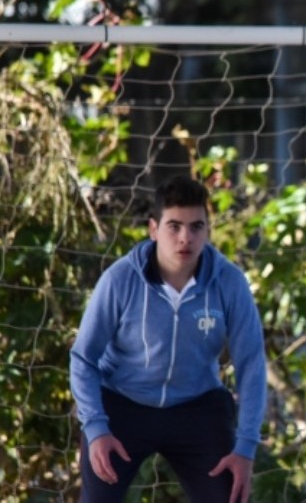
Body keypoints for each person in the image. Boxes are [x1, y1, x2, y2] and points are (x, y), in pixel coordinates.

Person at [69, 174, 267, 503]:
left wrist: (246, 446)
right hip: (122, 405)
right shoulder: (120, 280)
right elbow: (83, 358)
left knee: (230, 497)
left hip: (198, 407)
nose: (185, 238)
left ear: (207, 230)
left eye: (196, 227)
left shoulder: (229, 283)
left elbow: (251, 364)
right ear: (153, 229)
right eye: (174, 226)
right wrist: (96, 427)